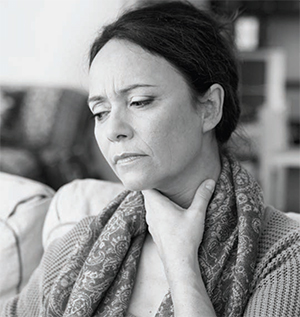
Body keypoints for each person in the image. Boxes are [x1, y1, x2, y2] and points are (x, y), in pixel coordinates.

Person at [2, 1, 300, 317]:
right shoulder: (76, 247)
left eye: (139, 102)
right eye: (100, 112)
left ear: (210, 107)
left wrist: (181, 263)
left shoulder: (282, 254)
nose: (113, 130)